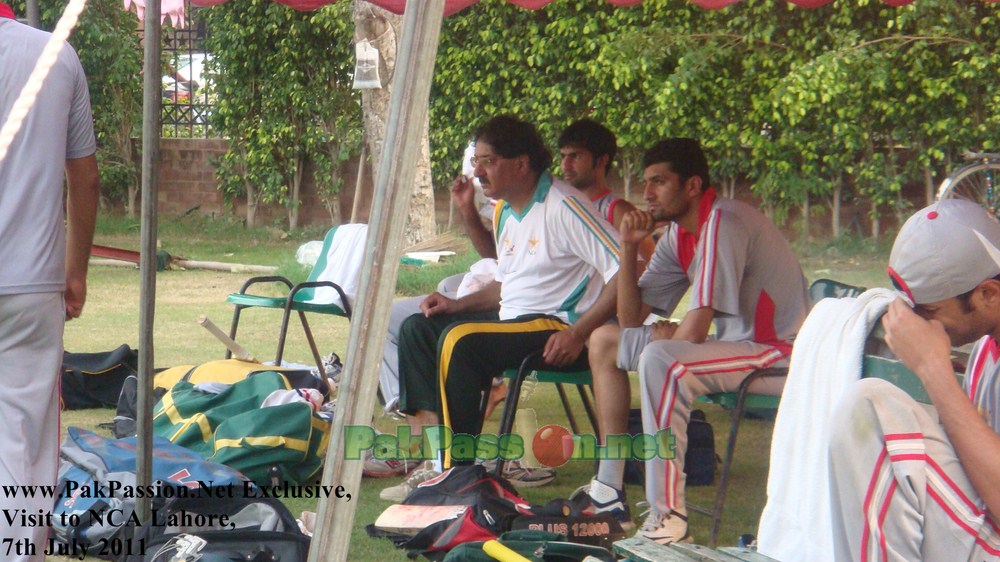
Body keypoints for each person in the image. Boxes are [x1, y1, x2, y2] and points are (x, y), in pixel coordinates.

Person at [573, 138, 809, 543]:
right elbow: (631, 320)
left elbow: (693, 333)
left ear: (693, 186)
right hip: (740, 349)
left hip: (781, 356)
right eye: (647, 182)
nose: (646, 194)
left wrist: (672, 340)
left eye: (659, 182)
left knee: (664, 359)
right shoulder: (681, 235)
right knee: (605, 341)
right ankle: (610, 489)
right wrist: (629, 248)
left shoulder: (723, 221)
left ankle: (668, 517)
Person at [381, 115, 621, 502]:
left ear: (521, 164)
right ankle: (435, 465)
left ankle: (457, 476)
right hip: (513, 321)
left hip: (555, 327)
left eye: (488, 161)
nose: (476, 171)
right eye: (476, 161)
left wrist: (579, 332)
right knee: (418, 328)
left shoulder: (565, 205)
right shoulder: (507, 209)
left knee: (460, 340)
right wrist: (456, 303)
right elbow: (506, 283)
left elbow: (625, 265)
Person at [827, 199, 1000, 561]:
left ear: (987, 294)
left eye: (929, 311)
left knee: (871, 408)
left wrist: (933, 370)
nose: (918, 322)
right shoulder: (987, 347)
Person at [0, 7, 100, 562]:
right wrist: (76, 271)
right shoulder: (55, 54)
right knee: (25, 438)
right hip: (33, 283)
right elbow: (83, 177)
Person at [557, 119, 655, 265]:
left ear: (602, 160)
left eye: (575, 156)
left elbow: (647, 271)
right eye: (563, 156)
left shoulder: (618, 212)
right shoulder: (559, 206)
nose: (565, 165)